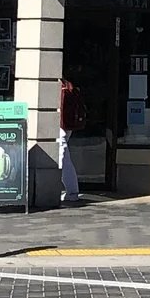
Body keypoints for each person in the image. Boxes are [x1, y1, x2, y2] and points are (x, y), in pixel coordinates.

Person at [57, 74, 85, 206]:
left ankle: (71, 191)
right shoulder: (67, 85)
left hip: (58, 125)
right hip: (67, 125)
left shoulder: (55, 86)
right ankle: (71, 191)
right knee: (64, 156)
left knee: (62, 157)